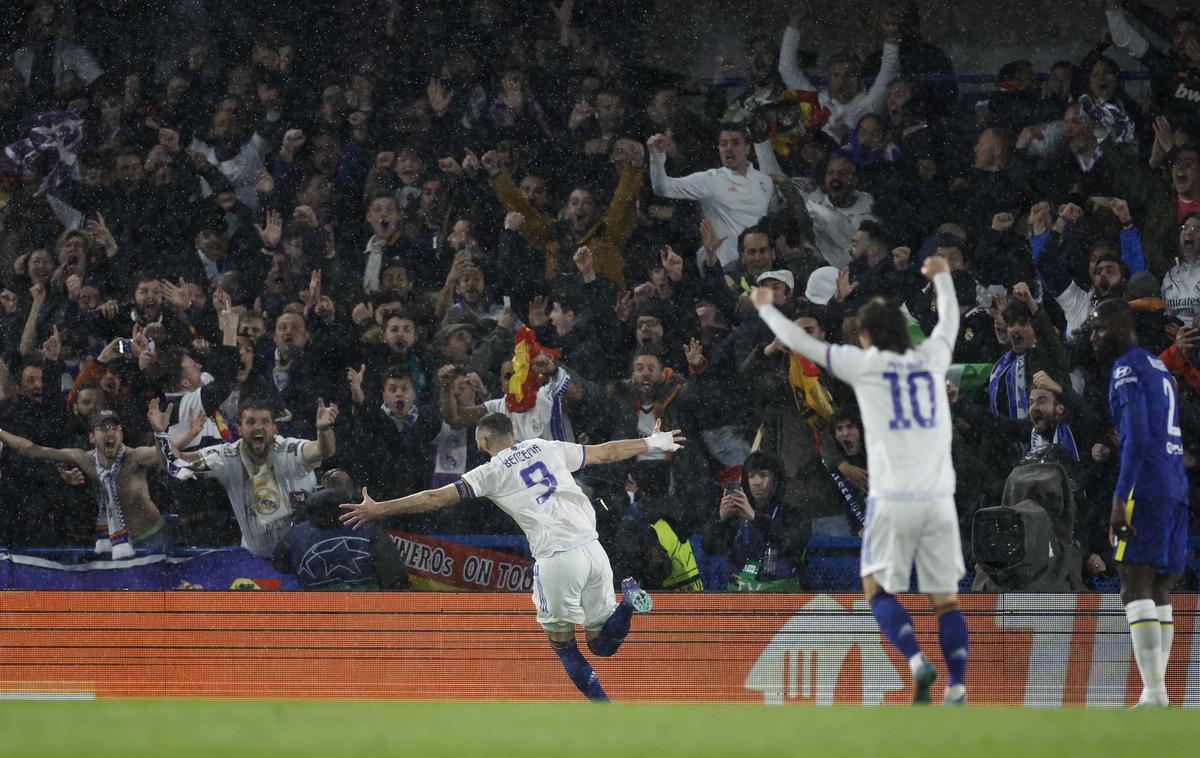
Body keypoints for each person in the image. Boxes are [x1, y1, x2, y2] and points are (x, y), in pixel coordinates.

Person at [339, 412, 684, 702]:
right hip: (593, 549)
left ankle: (607, 712)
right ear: (514, 431)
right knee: (602, 645)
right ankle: (627, 604)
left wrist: (379, 508)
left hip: (557, 558)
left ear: (483, 444)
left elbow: (435, 498)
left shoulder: (491, 470)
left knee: (565, 646)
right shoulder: (545, 446)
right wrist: (653, 443)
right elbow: (606, 452)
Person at [750, 254, 969, 705]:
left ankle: (914, 660)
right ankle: (958, 685)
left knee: (877, 589)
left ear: (869, 337)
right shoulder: (932, 356)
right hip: (937, 497)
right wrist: (943, 279)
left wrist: (768, 309)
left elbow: (803, 345)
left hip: (890, 496)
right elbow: (948, 318)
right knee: (945, 599)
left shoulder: (865, 367)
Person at [1089, 298, 1188, 707]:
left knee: (1133, 583)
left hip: (1145, 483)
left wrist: (1119, 496)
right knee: (1160, 587)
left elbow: (1137, 435)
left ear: (1120, 325)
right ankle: (1157, 693)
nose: (1093, 337)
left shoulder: (1126, 367)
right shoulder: (1158, 366)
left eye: (1098, 327)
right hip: (1175, 482)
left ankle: (1154, 692)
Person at [167, 395, 339, 558]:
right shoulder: (226, 456)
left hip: (299, 554)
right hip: (256, 558)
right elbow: (176, 460)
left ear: (274, 428)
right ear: (240, 429)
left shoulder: (289, 449)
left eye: (265, 422)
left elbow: (323, 450)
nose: (258, 427)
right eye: (251, 422)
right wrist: (163, 434)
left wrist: (323, 429)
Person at [0, 407, 173, 557]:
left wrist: (160, 433)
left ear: (121, 434)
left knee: (159, 591)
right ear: (92, 437)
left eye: (115, 427)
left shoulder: (135, 457)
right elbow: (33, 450)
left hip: (153, 536)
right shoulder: (84, 460)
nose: (110, 432)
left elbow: (165, 456)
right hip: (114, 541)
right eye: (103, 428)